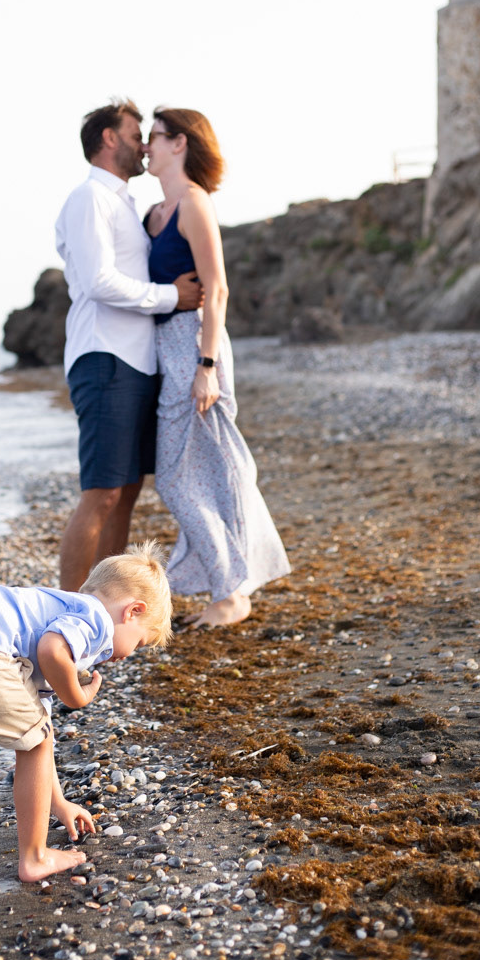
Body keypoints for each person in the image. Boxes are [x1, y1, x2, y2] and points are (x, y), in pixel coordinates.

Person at [0, 541, 172, 890]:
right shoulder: (96, 617)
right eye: (138, 643)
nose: (126, 655)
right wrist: (76, 696)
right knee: (36, 745)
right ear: (132, 611)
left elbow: (38, 727)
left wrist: (58, 803)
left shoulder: (49, 610)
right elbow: (51, 649)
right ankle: (34, 857)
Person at [143, 107, 290, 628]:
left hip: (196, 346)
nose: (145, 146)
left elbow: (217, 287)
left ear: (179, 143)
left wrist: (205, 365)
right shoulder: (154, 213)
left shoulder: (193, 204)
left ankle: (232, 592)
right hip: (166, 349)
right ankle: (230, 587)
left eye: (154, 138)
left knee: (189, 477)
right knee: (192, 475)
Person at [55, 99, 203, 592]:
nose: (144, 145)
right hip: (105, 357)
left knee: (126, 491)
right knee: (102, 492)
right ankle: (67, 613)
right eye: (136, 134)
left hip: (137, 362)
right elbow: (98, 281)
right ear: (109, 139)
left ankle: (101, 607)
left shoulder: (124, 203)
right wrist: (171, 297)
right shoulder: (89, 198)